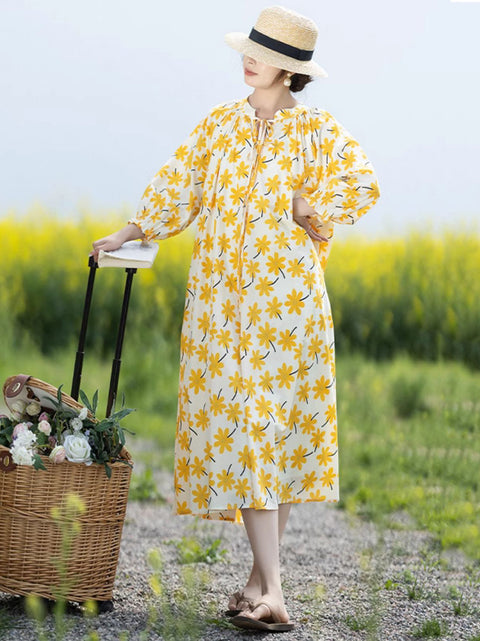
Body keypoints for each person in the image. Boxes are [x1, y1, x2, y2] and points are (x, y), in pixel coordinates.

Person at [92, 5, 380, 633]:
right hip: (221, 313)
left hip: (289, 313)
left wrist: (312, 203)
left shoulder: (318, 132)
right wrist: (126, 233)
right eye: (247, 49)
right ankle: (260, 585)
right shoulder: (219, 126)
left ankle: (271, 591)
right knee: (250, 437)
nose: (247, 59)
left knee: (265, 441)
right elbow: (179, 189)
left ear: (291, 69)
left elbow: (363, 185)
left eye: (263, 52)